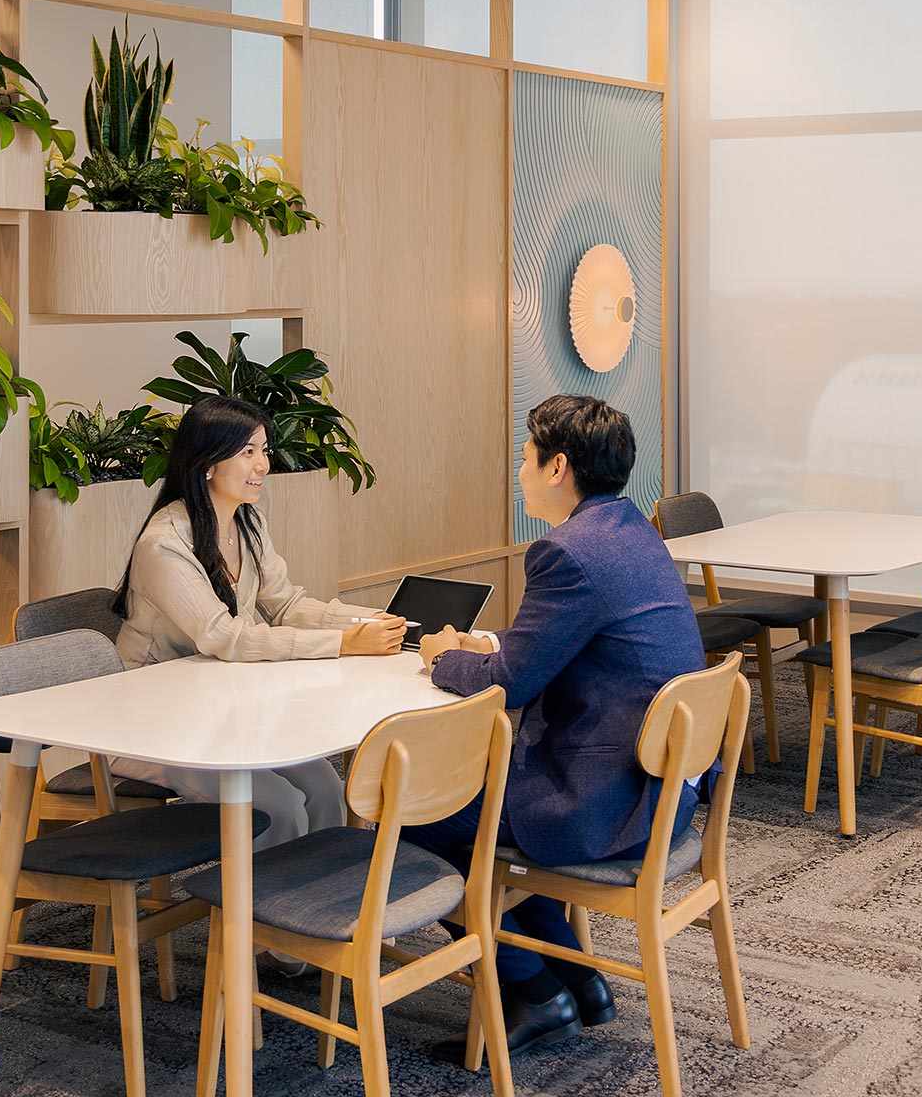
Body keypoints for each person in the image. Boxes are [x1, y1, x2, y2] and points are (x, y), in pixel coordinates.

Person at [413, 393, 707, 1057]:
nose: (519, 473)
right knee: (471, 820)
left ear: (557, 467)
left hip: (608, 803)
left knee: (417, 815)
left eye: (525, 459)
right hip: (663, 791)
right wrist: (494, 647)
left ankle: (533, 989)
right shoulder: (631, 531)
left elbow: (510, 684)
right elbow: (563, 642)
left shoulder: (566, 551)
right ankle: (576, 978)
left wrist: (443, 657)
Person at [111, 393, 405, 852]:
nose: (263, 465)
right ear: (207, 464)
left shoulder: (248, 522)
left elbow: (285, 604)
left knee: (327, 788)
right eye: (247, 452)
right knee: (279, 807)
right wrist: (344, 642)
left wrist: (371, 620)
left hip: (223, 707)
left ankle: (316, 891)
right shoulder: (164, 544)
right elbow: (224, 637)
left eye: (263, 450)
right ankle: (260, 900)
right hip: (156, 724)